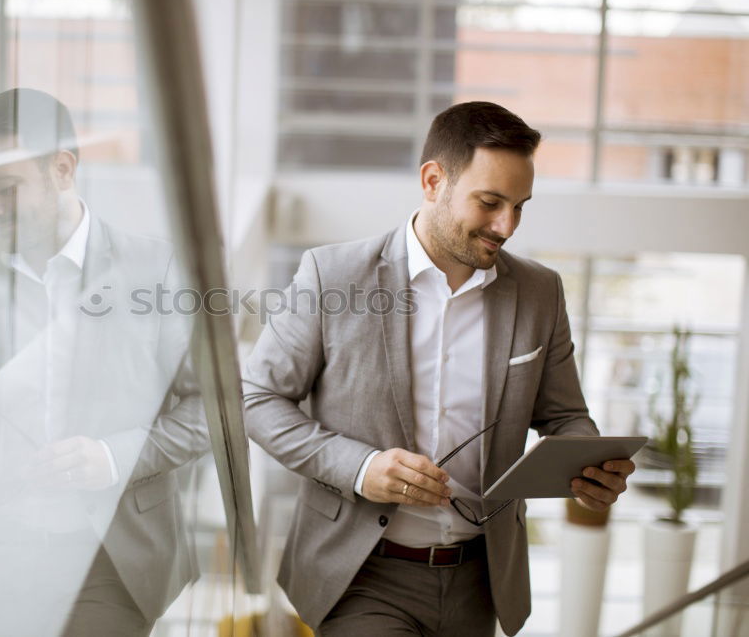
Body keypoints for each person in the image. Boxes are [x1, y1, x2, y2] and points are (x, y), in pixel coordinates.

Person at [242, 101, 635, 636]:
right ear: (433, 181)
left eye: (520, 206)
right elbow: (257, 400)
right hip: (362, 574)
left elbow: (565, 415)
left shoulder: (541, 292)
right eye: (490, 202)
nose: (507, 226)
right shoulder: (332, 276)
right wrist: (361, 468)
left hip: (481, 582)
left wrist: (589, 465)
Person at [0, 88, 208, 637]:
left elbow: (213, 413)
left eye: (5, 189)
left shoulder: (157, 268)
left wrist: (112, 455)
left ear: (62, 168)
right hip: (6, 552)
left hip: (112, 555)